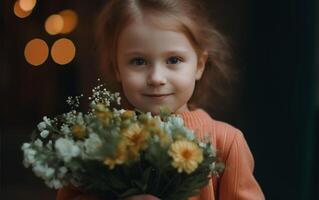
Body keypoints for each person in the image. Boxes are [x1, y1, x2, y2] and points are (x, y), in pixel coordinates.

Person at [57, 0, 265, 199]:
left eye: (174, 60)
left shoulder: (226, 143)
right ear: (116, 68)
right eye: (138, 61)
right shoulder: (98, 142)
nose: (156, 78)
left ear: (199, 65)